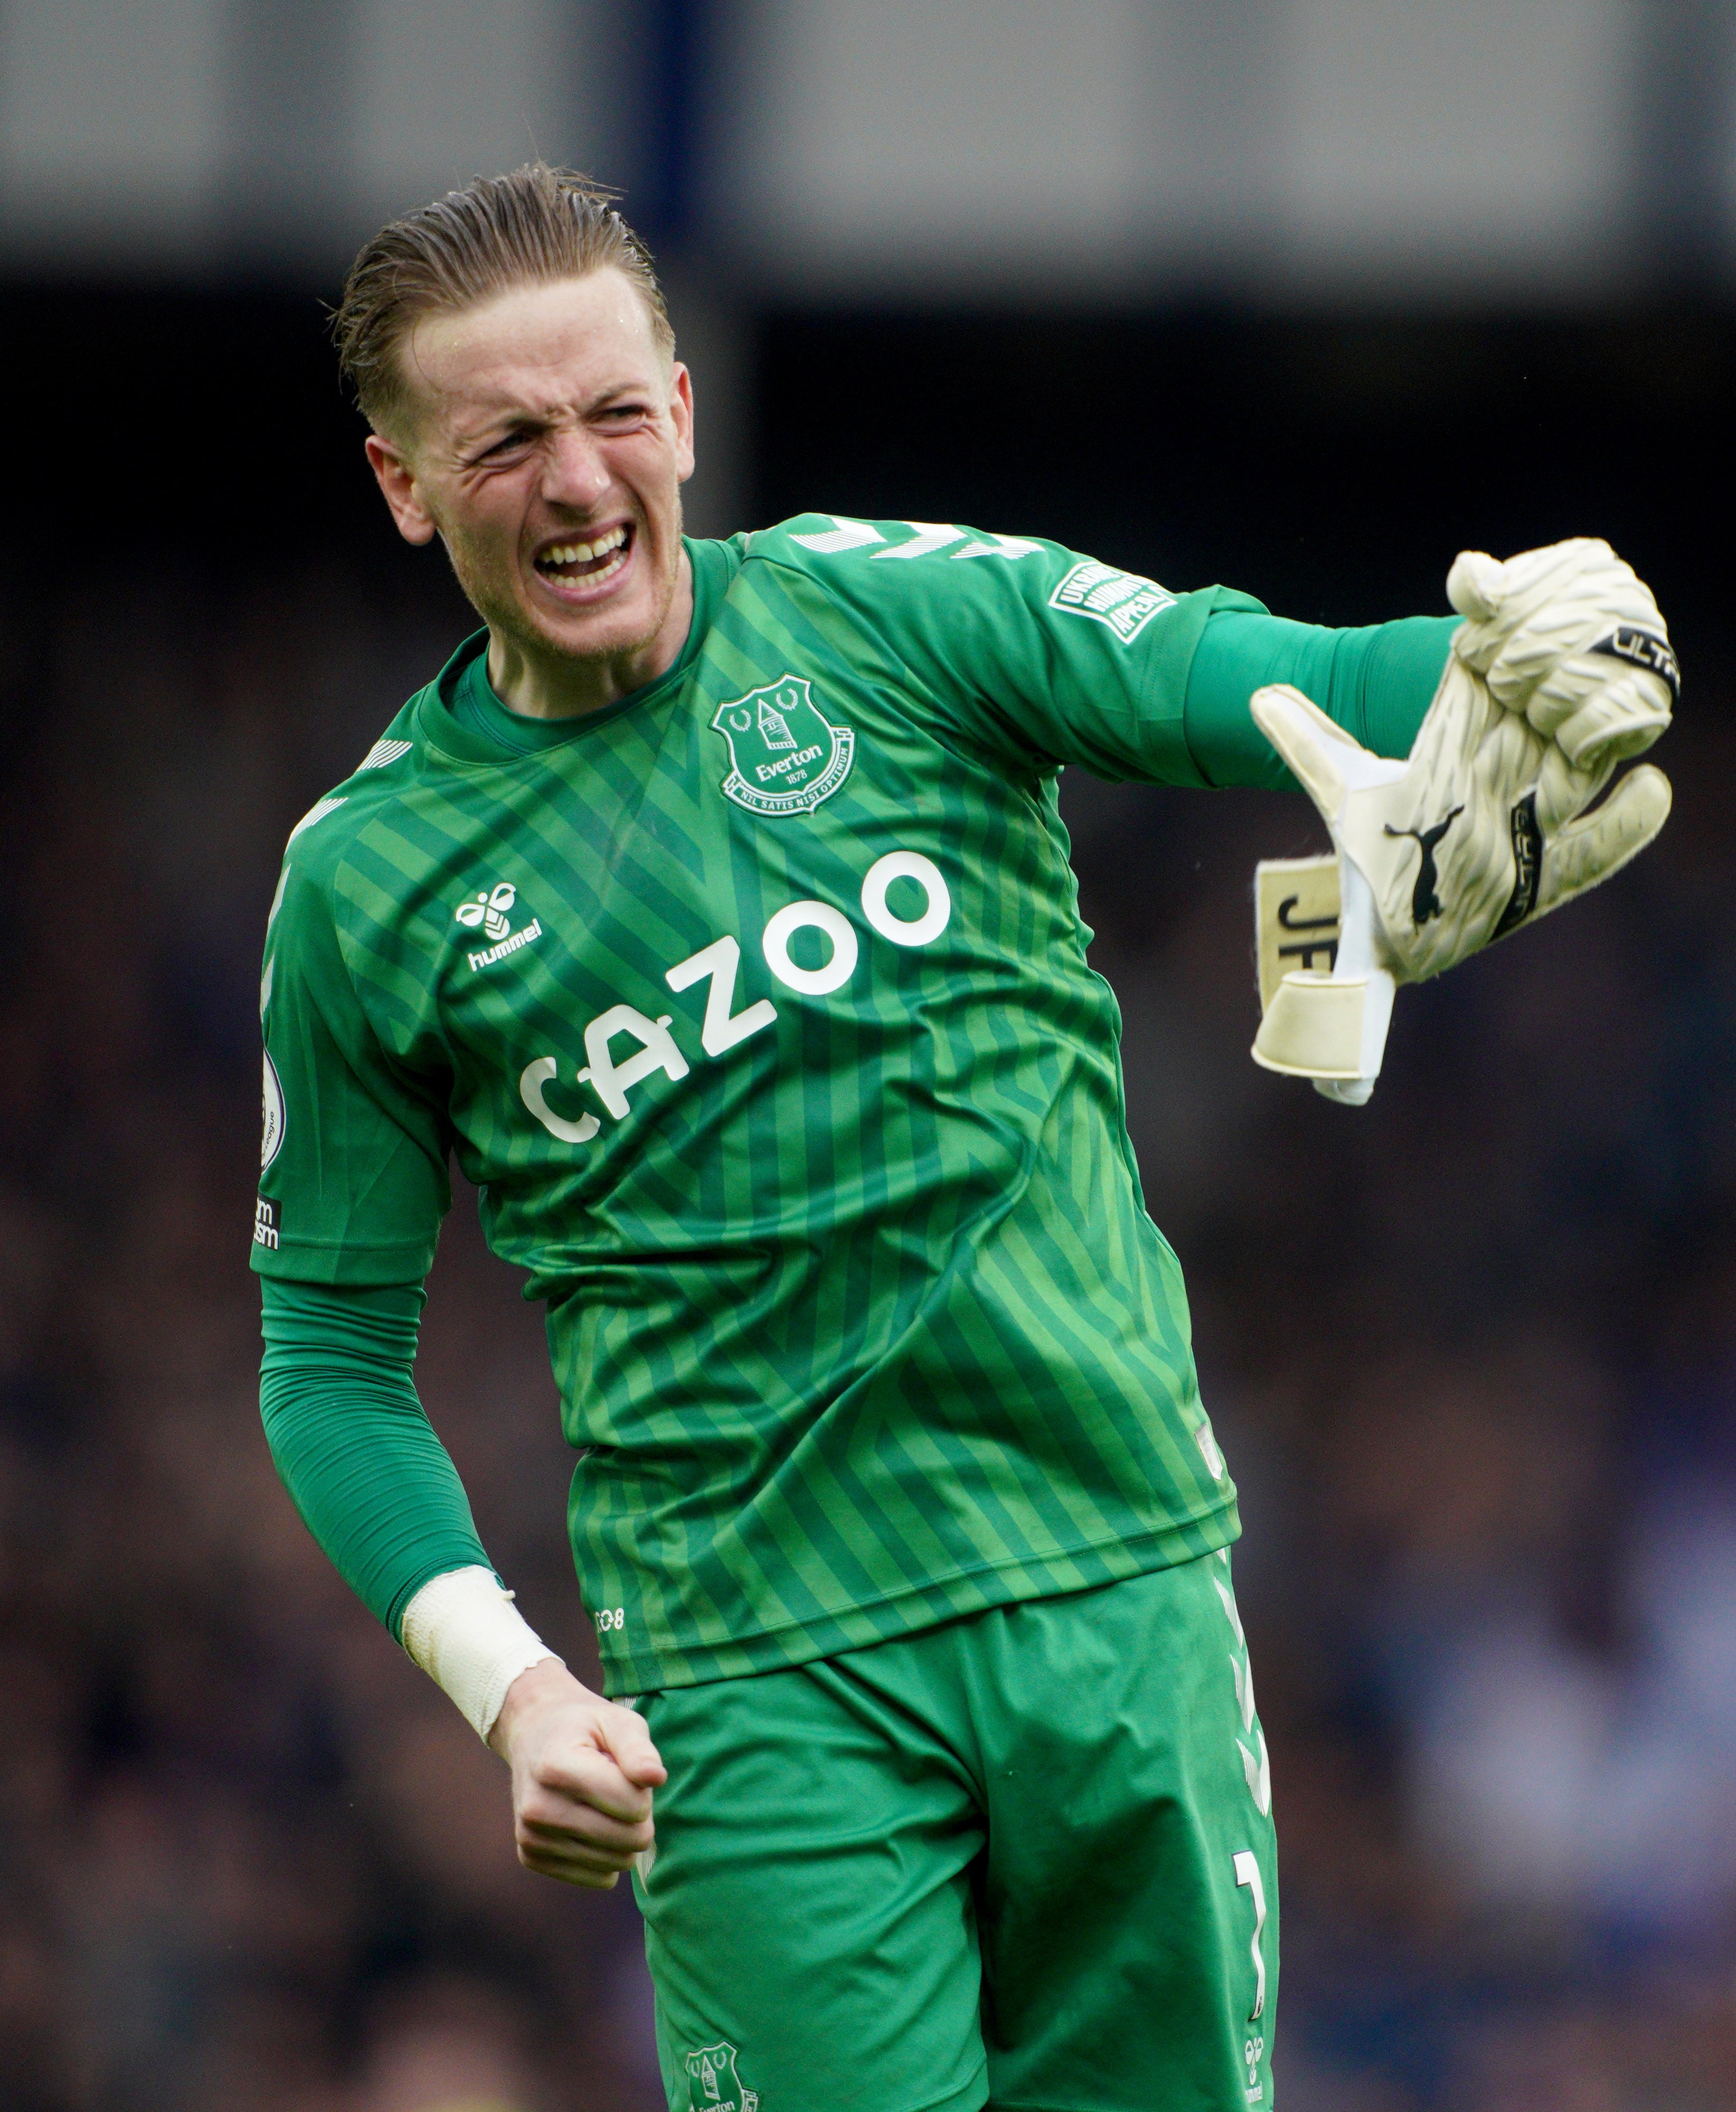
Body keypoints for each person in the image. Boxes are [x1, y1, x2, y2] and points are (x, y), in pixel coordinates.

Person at [256, 164, 1674, 2112]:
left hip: (1117, 1588)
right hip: (758, 1687)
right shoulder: (367, 882)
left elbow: (1250, 676)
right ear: (406, 483)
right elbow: (328, 1367)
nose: (577, 483)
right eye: (504, 441)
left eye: (607, 416)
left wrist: (1514, 665)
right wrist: (514, 1691)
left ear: (681, 406)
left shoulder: (900, 615)